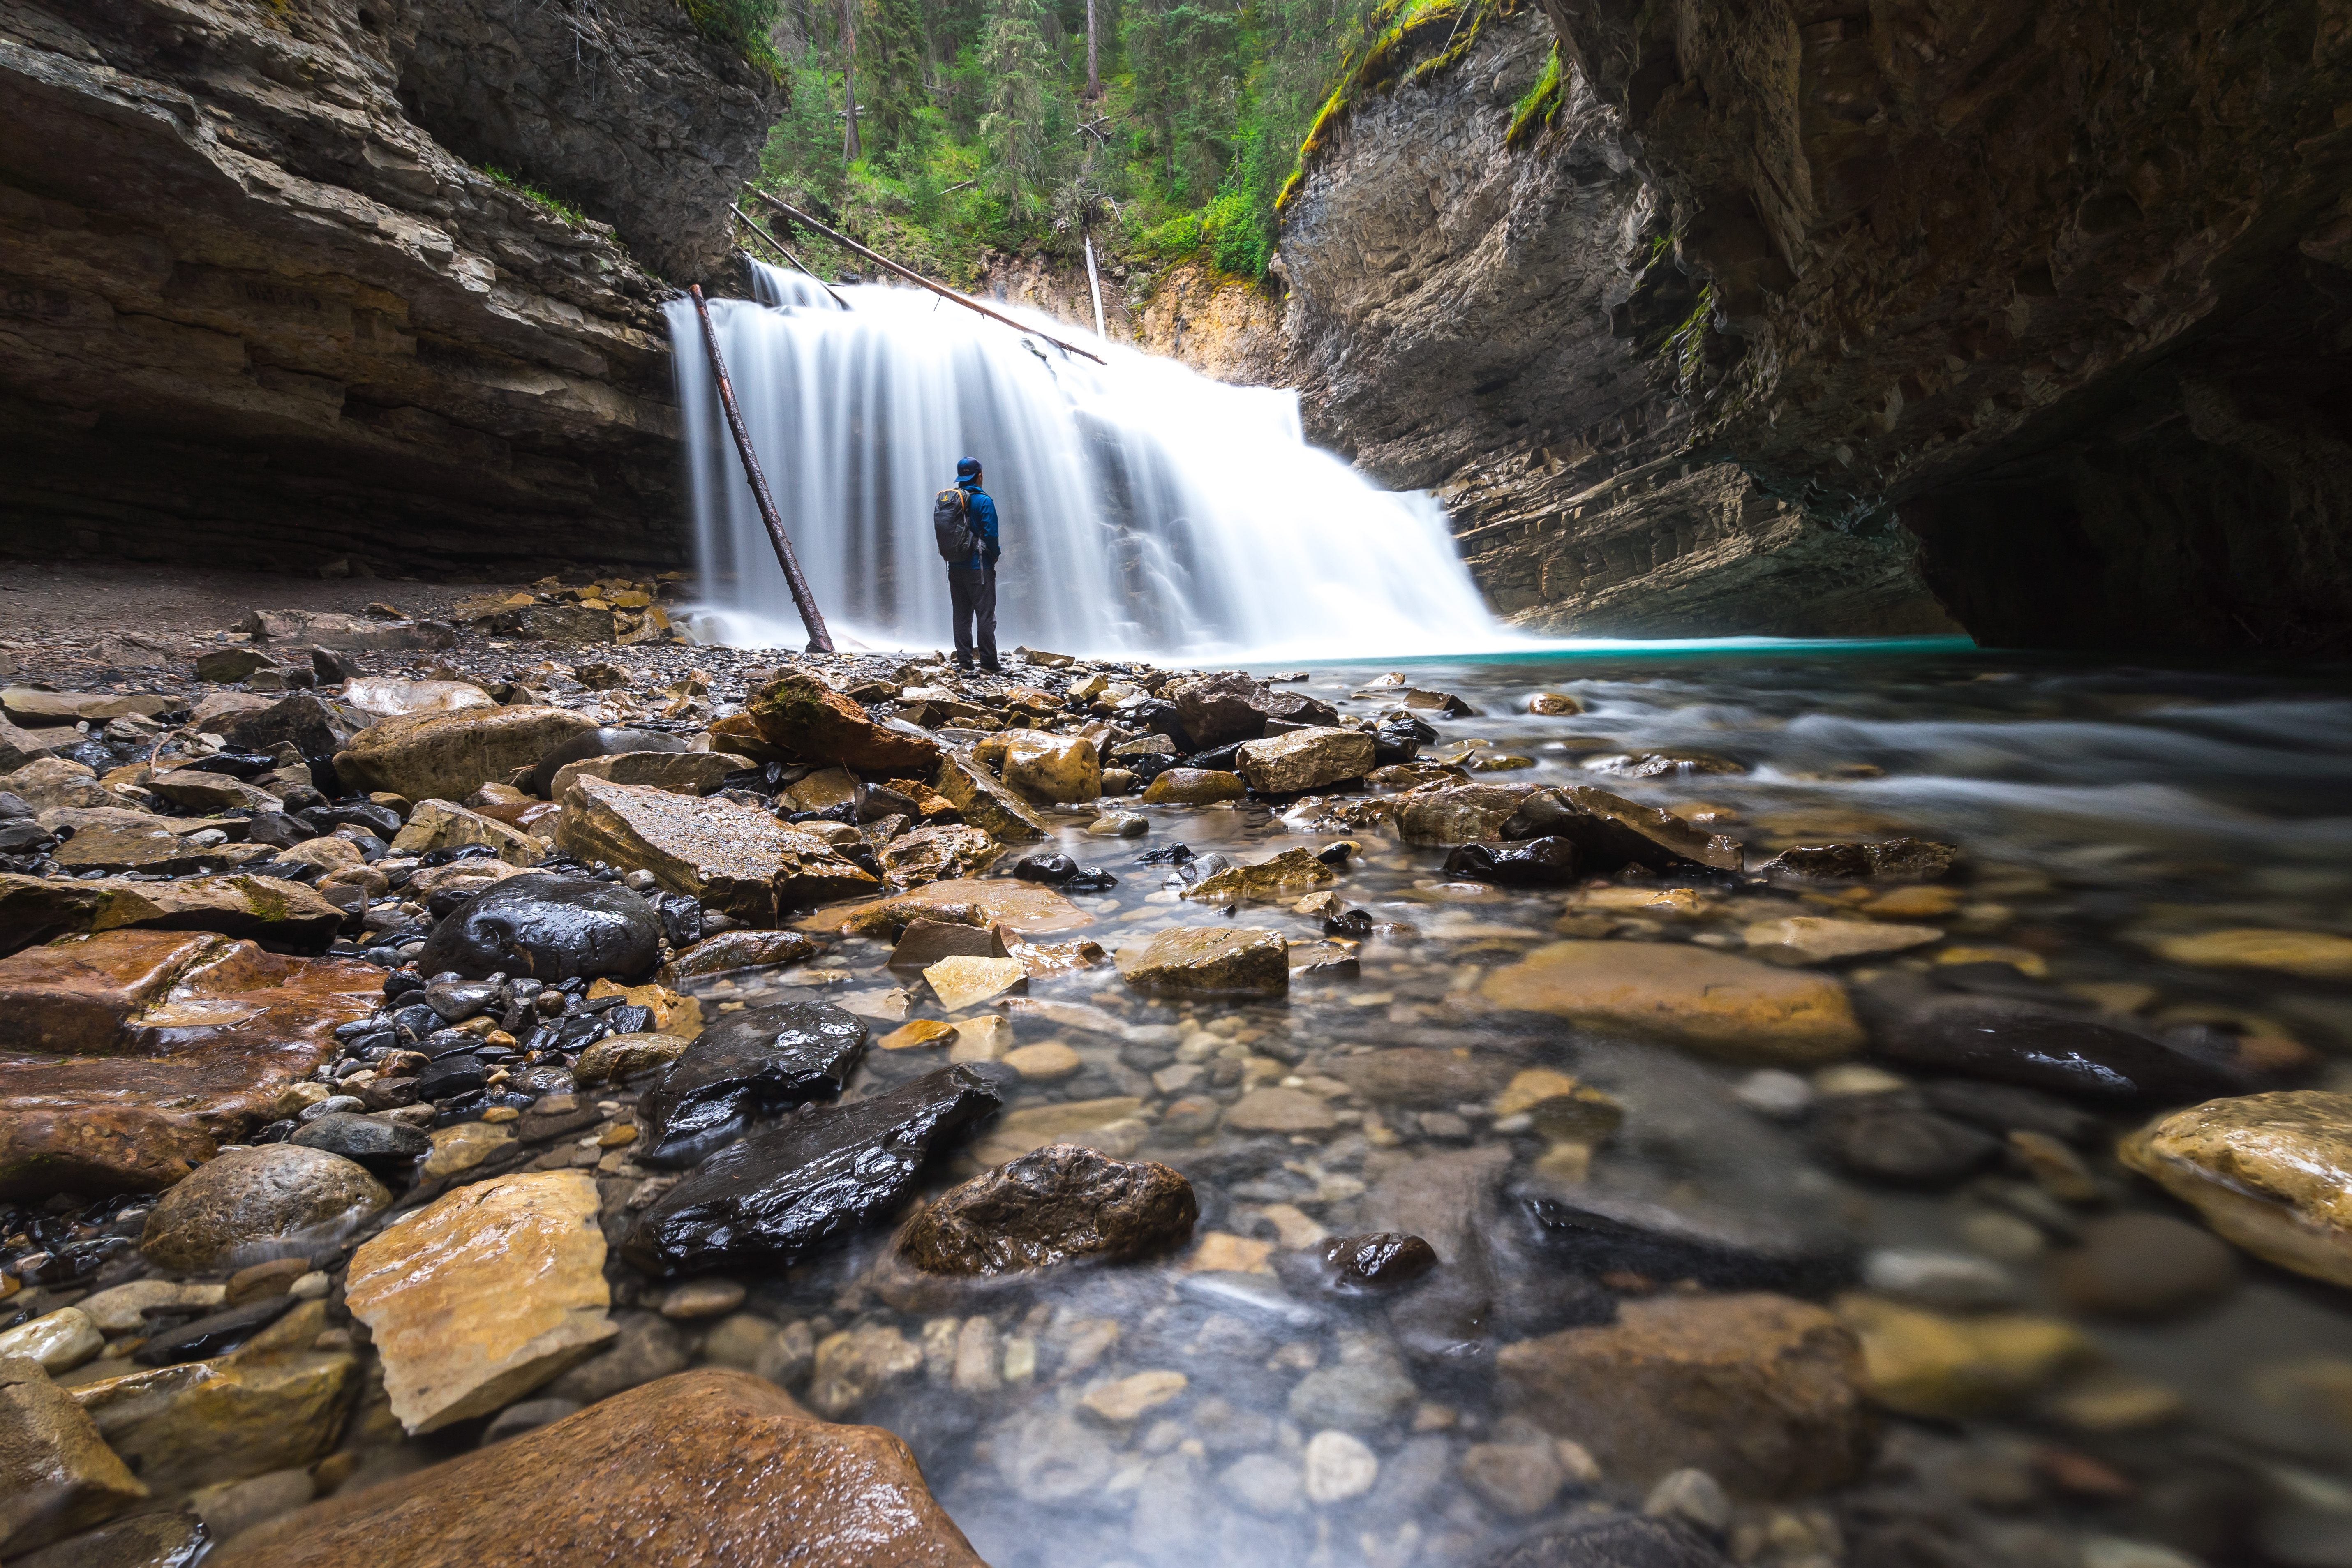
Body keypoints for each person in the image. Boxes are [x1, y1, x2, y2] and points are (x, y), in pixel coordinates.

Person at [946, 456, 1000, 672]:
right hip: (979, 567)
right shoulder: (984, 501)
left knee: (961, 615)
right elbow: (991, 534)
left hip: (955, 566)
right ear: (979, 475)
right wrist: (994, 555)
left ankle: (965, 663)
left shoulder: (950, 500)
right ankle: (989, 663)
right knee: (985, 615)